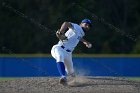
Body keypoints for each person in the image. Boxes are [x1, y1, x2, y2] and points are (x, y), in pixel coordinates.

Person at [51, 18, 92, 85]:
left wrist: (85, 42)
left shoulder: (81, 33)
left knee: (71, 72)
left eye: (89, 26)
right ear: (81, 23)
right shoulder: (76, 26)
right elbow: (66, 23)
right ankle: (63, 77)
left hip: (68, 53)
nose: (87, 26)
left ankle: (72, 76)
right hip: (59, 48)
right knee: (60, 57)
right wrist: (61, 31)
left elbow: (78, 37)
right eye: (86, 24)